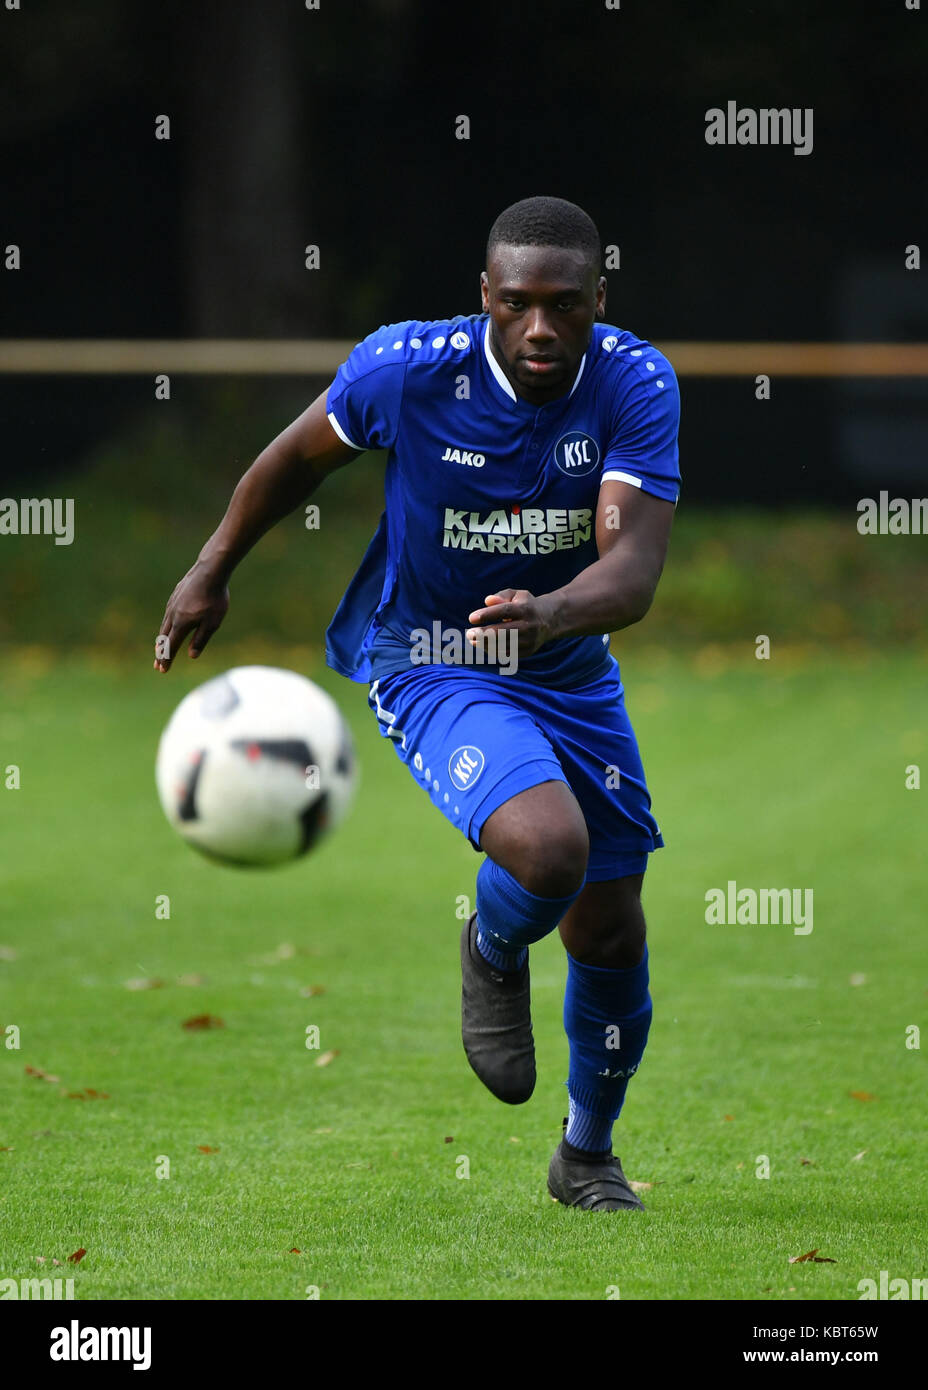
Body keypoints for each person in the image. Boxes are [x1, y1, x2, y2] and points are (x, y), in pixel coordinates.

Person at [155, 195, 681, 1212]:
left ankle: (586, 1153)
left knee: (611, 928)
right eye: (517, 303)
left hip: (567, 663)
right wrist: (211, 568)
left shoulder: (634, 381)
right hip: (430, 653)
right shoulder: (406, 368)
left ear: (596, 302)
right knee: (547, 849)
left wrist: (553, 611)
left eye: (564, 306)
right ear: (483, 297)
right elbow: (289, 462)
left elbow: (635, 572)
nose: (539, 328)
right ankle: (489, 947)